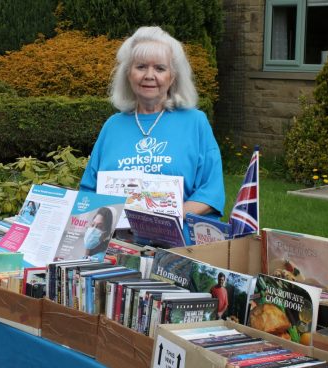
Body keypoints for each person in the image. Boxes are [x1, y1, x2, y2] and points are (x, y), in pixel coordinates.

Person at [79, 26, 225, 244]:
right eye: (140, 67)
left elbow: (210, 192)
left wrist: (165, 218)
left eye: (159, 68)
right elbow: (89, 191)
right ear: (128, 74)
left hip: (176, 246)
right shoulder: (112, 126)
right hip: (116, 247)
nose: (149, 75)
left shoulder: (195, 122)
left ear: (172, 76)